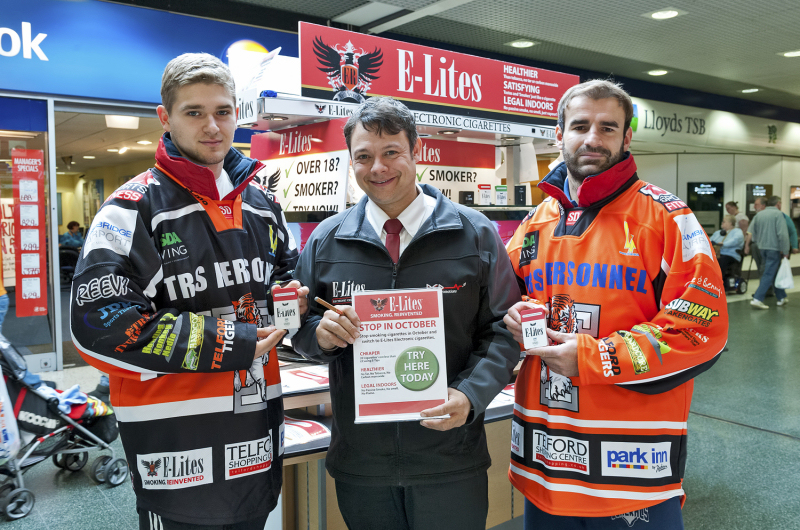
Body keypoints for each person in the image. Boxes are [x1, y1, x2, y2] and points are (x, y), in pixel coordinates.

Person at [70, 53, 308, 529]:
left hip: (255, 449)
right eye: (194, 112)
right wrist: (233, 341)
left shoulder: (263, 204)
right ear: (165, 117)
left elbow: (284, 284)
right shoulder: (130, 210)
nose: (212, 127)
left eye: (222, 111)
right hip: (176, 460)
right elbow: (100, 327)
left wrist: (293, 306)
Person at [504, 80, 728, 529]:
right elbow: (501, 307)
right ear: (558, 133)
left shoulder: (668, 218)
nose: (592, 138)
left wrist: (595, 358)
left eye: (608, 128)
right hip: (546, 464)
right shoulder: (534, 223)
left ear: (627, 138)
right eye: (580, 125)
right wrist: (512, 316)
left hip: (629, 470)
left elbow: (699, 328)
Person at [291, 97, 520, 530]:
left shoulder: (475, 234)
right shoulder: (325, 241)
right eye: (363, 156)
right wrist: (318, 336)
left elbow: (503, 331)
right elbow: (300, 330)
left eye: (391, 152)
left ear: (416, 152)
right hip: (363, 465)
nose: (378, 167)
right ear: (351, 161)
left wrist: (471, 396)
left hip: (448, 458)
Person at [746, 195, 791, 308]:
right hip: (773, 249)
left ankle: (781, 297)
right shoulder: (778, 215)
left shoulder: (759, 215)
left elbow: (753, 233)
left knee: (773, 272)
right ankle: (757, 298)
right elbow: (782, 235)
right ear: (778, 204)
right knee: (768, 273)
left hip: (762, 248)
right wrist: (785, 250)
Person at [710, 214, 745, 286]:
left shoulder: (737, 232)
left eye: (724, 221)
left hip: (731, 255)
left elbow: (735, 240)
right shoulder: (718, 233)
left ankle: (719, 284)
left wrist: (723, 244)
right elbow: (710, 240)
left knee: (720, 261)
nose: (722, 223)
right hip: (718, 254)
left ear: (731, 223)